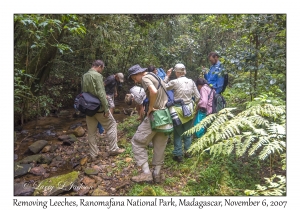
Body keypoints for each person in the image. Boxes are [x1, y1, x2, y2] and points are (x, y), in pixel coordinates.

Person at [128, 64, 171, 183]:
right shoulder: (156, 76)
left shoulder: (145, 78)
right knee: (159, 145)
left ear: (138, 74)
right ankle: (156, 174)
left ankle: (146, 173)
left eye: (134, 78)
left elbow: (153, 91)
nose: (135, 81)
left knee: (137, 142)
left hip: (155, 115)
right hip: (165, 115)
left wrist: (151, 107)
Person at [82, 60, 124, 161]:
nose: (102, 70)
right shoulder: (97, 76)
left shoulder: (85, 75)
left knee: (91, 132)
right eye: (102, 68)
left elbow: (83, 92)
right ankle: (113, 149)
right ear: (100, 66)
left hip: (88, 108)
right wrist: (106, 108)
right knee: (112, 124)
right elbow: (101, 93)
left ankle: (93, 154)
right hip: (99, 107)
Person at [165, 63, 200, 163]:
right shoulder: (191, 81)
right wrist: (193, 105)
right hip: (189, 109)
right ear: (184, 72)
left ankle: (178, 155)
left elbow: (162, 87)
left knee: (177, 133)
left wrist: (167, 76)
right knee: (188, 133)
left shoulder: (174, 82)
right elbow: (198, 97)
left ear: (177, 72)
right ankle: (188, 152)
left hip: (178, 111)